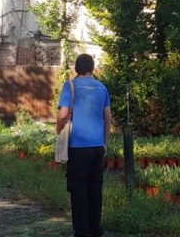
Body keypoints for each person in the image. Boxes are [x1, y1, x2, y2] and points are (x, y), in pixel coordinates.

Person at [56, 54, 112, 237]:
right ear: (92, 68)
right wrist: (104, 142)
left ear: (76, 68)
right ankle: (95, 229)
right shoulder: (101, 87)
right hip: (97, 146)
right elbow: (108, 118)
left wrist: (58, 129)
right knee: (95, 189)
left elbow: (63, 114)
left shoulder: (70, 86)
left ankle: (82, 232)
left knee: (78, 189)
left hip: (77, 146)